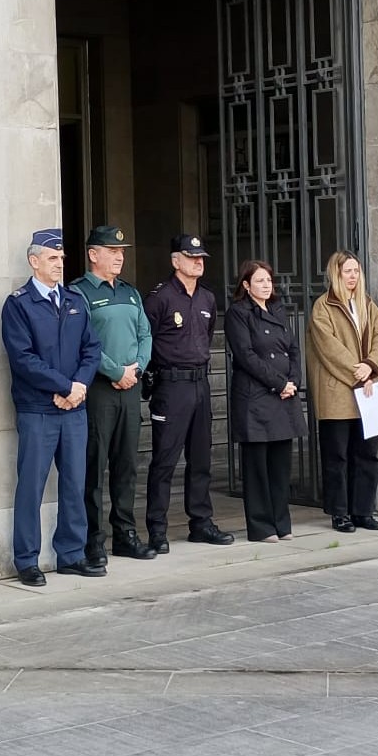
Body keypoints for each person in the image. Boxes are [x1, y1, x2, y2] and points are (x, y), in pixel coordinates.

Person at [2, 229, 102, 585]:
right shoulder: (18, 304)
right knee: (31, 485)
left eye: (61, 258)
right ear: (34, 261)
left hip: (74, 408)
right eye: (52, 258)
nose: (59, 264)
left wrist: (79, 387)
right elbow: (23, 359)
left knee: (75, 482)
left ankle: (71, 555)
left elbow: (92, 348)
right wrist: (64, 386)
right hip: (38, 410)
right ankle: (27, 559)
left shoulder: (74, 299)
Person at [143, 235, 235, 550]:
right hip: (172, 385)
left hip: (200, 384)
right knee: (165, 461)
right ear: (175, 261)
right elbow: (146, 339)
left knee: (201, 459)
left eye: (201, 257)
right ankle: (157, 528)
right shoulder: (160, 297)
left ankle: (201, 522)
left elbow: (206, 338)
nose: (198, 261)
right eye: (191, 256)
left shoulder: (208, 298)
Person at [71, 226, 153, 565]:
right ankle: (93, 538)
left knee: (127, 465)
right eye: (112, 250)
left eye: (122, 251)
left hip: (130, 388)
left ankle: (125, 534)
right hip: (100, 389)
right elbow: (82, 341)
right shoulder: (80, 293)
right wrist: (115, 371)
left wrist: (136, 368)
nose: (120, 256)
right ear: (93, 255)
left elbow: (145, 334)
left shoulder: (130, 293)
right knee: (94, 465)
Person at [306, 251, 378, 532]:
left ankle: (363, 510)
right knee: (337, 456)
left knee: (367, 453)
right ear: (335, 274)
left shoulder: (366, 303)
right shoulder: (323, 307)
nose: (353, 276)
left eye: (356, 271)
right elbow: (328, 348)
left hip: (369, 389)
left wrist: (371, 366)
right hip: (338, 391)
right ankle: (340, 512)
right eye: (347, 272)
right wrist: (358, 372)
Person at [226, 259, 304, 542]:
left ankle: (282, 523)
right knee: (257, 466)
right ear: (246, 285)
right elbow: (246, 356)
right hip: (256, 397)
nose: (266, 285)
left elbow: (293, 349)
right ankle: (261, 527)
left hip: (284, 398)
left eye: (268, 280)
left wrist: (293, 381)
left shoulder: (278, 310)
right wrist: (279, 383)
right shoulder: (238, 313)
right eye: (259, 280)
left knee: (281, 465)